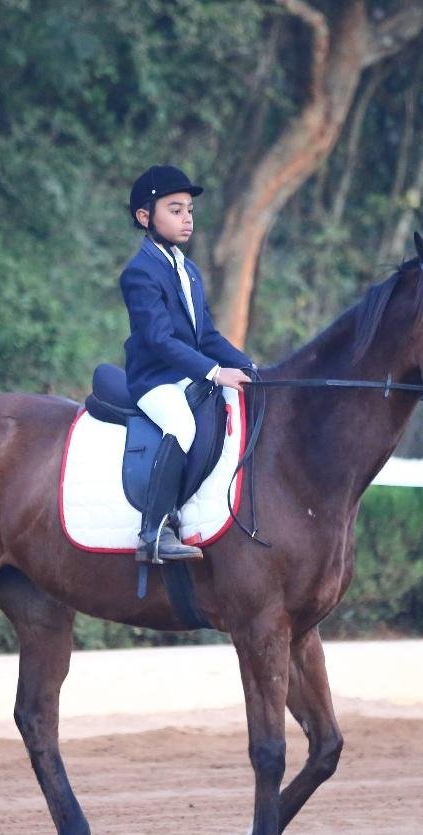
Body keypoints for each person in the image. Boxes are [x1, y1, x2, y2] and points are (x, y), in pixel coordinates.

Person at [121, 164, 254, 563]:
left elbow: (207, 337)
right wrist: (214, 371)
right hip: (155, 379)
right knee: (181, 424)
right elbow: (160, 340)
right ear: (146, 217)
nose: (187, 219)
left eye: (190, 211)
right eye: (175, 210)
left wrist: (252, 368)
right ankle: (153, 533)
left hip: (187, 375)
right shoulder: (139, 273)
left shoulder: (188, 270)